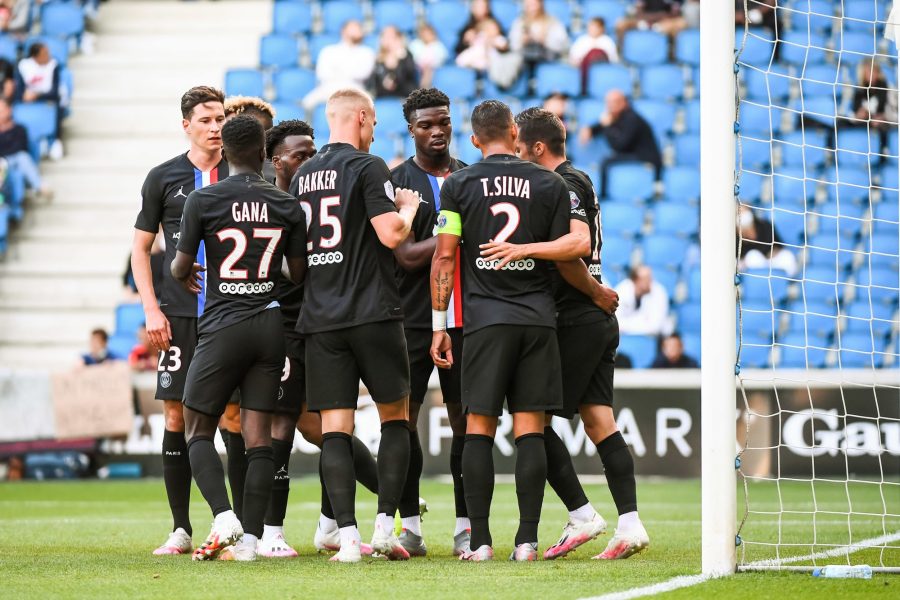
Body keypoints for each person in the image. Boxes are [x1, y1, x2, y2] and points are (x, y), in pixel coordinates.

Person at [430, 100, 597, 561]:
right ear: (512, 132)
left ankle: (480, 542)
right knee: (530, 430)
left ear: (476, 139)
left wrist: (438, 324)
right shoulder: (549, 182)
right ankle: (526, 542)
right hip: (538, 320)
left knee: (478, 429)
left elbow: (444, 257)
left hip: (484, 322)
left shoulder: (458, 184)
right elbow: (571, 248)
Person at [489, 107, 648, 560]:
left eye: (520, 147)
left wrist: (525, 250)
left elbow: (574, 248)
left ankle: (581, 514)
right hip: (593, 318)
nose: (516, 155)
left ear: (537, 147)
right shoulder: (576, 179)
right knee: (599, 422)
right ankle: (630, 524)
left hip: (578, 316)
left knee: (530, 418)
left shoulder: (561, 182)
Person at [292, 88, 420, 563]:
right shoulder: (369, 167)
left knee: (336, 431)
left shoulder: (303, 174)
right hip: (372, 312)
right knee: (395, 419)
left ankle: (347, 539)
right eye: (372, 123)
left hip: (321, 318)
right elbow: (390, 234)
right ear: (362, 118)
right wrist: (408, 207)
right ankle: (385, 527)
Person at [171, 115, 307, 562]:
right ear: (264, 153)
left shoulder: (204, 198)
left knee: (196, 426)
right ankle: (251, 541)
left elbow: (178, 267)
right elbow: (298, 273)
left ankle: (223, 515)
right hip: (269, 324)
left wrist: (189, 267)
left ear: (225, 151)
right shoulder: (287, 204)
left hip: (224, 323)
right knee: (258, 434)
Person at [259, 119, 380, 559]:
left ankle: (339, 522)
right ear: (277, 162)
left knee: (328, 425)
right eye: (301, 154)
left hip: (323, 324)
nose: (310, 160)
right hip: (287, 327)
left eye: (313, 151)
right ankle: (270, 531)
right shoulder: (272, 202)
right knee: (284, 423)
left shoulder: (323, 196)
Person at [131, 85, 228, 556]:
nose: (216, 127)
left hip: (233, 310)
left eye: (222, 118)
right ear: (186, 124)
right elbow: (140, 247)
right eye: (207, 119)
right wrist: (151, 307)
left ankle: (239, 527)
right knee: (176, 413)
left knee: (232, 414)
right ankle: (181, 528)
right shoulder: (164, 177)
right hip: (181, 315)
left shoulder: (244, 172)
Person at [390, 88, 469, 557]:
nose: (436, 131)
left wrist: (444, 243)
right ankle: (412, 528)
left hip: (466, 321)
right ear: (411, 129)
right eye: (426, 125)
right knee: (405, 421)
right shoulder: (395, 181)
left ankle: (465, 527)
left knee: (466, 424)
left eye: (443, 122)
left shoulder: (471, 175)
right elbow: (401, 256)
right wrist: (450, 238)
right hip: (412, 320)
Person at [218, 96, 277, 500]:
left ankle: (264, 523)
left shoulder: (280, 177)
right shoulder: (210, 182)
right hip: (222, 313)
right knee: (231, 419)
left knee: (305, 422)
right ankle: (245, 520)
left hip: (279, 312)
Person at [579, 90, 662, 197]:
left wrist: (606, 127)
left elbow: (619, 146)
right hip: (634, 153)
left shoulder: (632, 119)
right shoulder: (619, 115)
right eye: (608, 102)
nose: (609, 106)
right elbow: (603, 124)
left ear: (623, 103)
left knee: (606, 161)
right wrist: (590, 129)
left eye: (614, 102)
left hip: (645, 157)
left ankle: (603, 195)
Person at [302, 20, 376, 111]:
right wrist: (348, 70)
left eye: (359, 28)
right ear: (343, 31)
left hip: (355, 88)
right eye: (353, 28)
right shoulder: (328, 51)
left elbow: (363, 74)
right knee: (307, 103)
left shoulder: (367, 52)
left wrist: (338, 70)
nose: (358, 30)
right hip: (328, 88)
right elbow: (322, 74)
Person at [16, 42, 64, 159]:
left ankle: (54, 141)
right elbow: (20, 91)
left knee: (56, 107)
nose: (48, 56)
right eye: (44, 54)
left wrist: (37, 95)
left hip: (48, 100)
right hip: (29, 102)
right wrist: (26, 96)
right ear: (35, 57)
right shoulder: (23, 66)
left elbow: (54, 93)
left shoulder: (53, 64)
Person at [0, 97, 51, 198]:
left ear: (9, 110)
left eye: (2, 109)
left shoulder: (20, 129)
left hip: (16, 160)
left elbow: (20, 147)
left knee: (23, 157)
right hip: (2, 161)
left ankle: (39, 186)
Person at [509, 0, 570, 79]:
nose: (532, 8)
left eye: (534, 4)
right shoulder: (519, 22)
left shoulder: (552, 21)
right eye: (529, 5)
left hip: (547, 58)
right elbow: (513, 45)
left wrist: (545, 40)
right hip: (524, 60)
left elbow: (564, 45)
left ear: (541, 4)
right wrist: (522, 41)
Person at [737, 205, 797, 276]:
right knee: (752, 257)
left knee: (787, 256)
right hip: (753, 266)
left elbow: (778, 246)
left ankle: (785, 283)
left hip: (771, 260)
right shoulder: (737, 236)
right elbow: (740, 256)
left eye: (744, 211)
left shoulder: (764, 225)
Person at [615, 265, 673, 336]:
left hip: (657, 338)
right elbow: (616, 323)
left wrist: (629, 323)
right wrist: (641, 320)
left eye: (650, 277)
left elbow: (655, 327)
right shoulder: (622, 290)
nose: (650, 281)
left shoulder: (659, 291)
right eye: (646, 278)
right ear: (636, 280)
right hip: (626, 338)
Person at [569, 17, 618, 95]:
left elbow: (613, 62)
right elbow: (573, 59)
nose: (592, 29)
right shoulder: (581, 40)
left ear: (602, 28)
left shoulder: (608, 42)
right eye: (591, 26)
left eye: (595, 27)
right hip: (583, 72)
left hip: (602, 73)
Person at [370, 26, 418, 99]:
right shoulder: (379, 58)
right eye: (384, 36)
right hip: (384, 96)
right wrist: (384, 82)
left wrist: (398, 59)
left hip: (404, 95)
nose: (388, 40)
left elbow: (409, 75)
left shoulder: (406, 54)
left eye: (391, 37)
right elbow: (373, 81)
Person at [615, 0, 687, 45]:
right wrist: (655, 17)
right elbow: (638, 13)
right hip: (644, 21)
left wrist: (660, 18)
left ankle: (673, 57)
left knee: (681, 23)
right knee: (621, 23)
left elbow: (675, 14)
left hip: (664, 23)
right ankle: (621, 55)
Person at [408, 23, 448, 89]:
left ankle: (423, 88)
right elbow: (410, 57)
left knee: (428, 70)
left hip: (431, 68)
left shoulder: (438, 45)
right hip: (416, 67)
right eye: (424, 33)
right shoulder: (415, 44)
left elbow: (441, 59)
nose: (426, 36)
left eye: (428, 34)